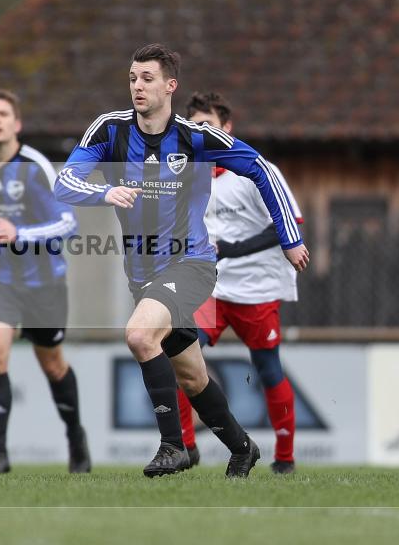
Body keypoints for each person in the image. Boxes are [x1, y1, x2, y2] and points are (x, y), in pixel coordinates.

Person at [54, 44, 308, 478]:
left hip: (191, 264)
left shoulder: (196, 137)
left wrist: (289, 237)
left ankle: (173, 446)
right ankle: (242, 447)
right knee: (191, 377)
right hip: (142, 273)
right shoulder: (109, 130)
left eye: (147, 78)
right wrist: (105, 192)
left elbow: (260, 168)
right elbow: (64, 182)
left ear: (170, 85)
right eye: (132, 78)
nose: (137, 86)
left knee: (139, 336)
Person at [0, 88, 90, 474]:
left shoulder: (36, 167)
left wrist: (20, 233)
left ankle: (75, 436)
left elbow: (68, 223)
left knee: (53, 365)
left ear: (17, 124)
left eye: (3, 114)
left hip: (43, 281)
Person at [181, 91, 302, 474]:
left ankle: (285, 458)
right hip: (211, 289)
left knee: (268, 370)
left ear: (227, 128)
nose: (201, 135)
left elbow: (288, 226)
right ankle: (185, 447)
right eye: (194, 129)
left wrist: (232, 248)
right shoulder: (186, 176)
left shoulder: (256, 169)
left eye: (208, 126)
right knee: (179, 352)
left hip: (257, 289)